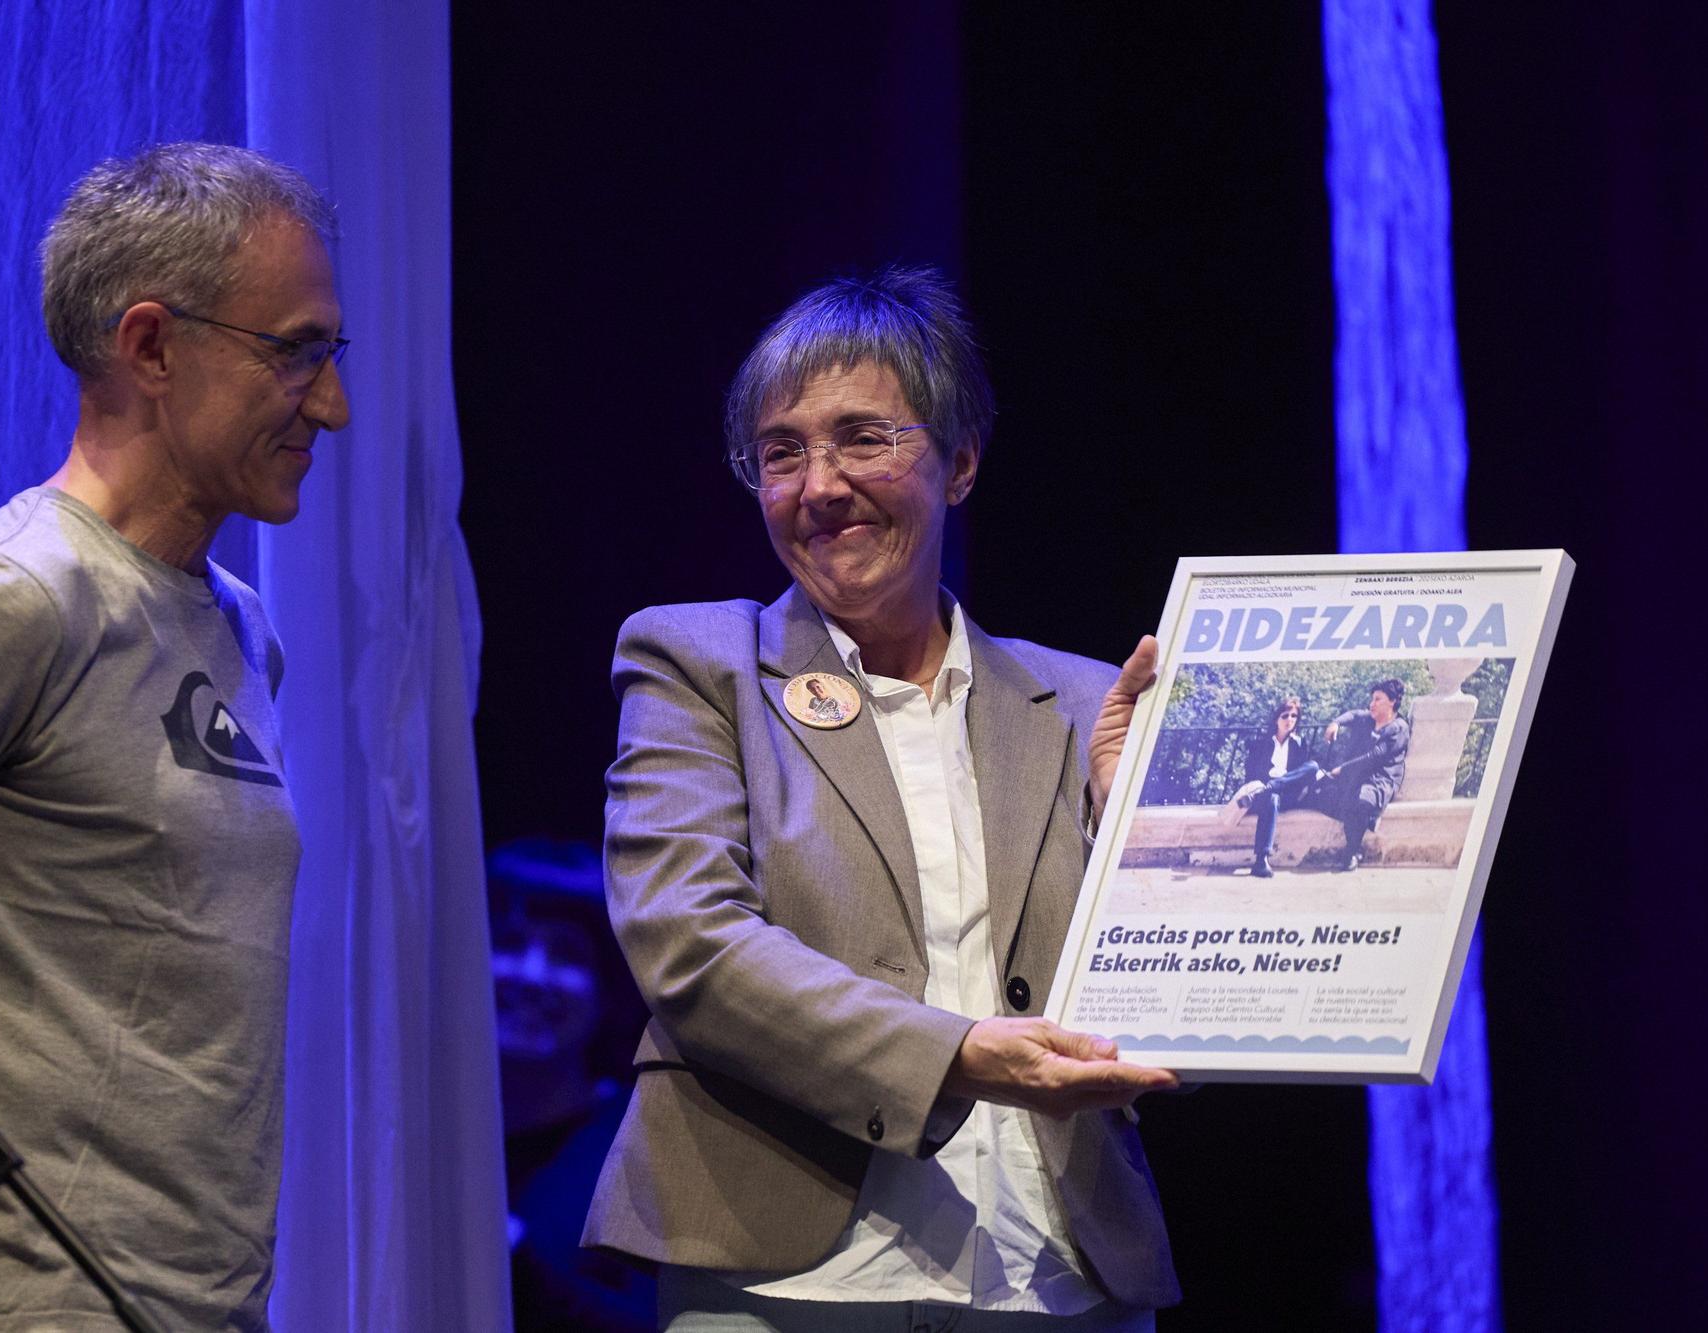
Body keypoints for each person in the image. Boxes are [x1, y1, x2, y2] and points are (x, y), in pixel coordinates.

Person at [0, 142, 348, 1330]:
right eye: (296, 351)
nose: (334, 404)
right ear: (151, 347)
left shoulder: (242, 627)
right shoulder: (23, 599)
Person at [583, 267, 1181, 1331]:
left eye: (862, 438)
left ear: (956, 463)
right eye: (780, 452)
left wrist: (1141, 844)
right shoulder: (694, 662)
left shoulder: (1087, 702)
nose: (818, 484)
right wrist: (954, 1055)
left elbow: (1176, 1010)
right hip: (783, 1281)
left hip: (1055, 1280)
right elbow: (689, 943)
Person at [1317, 679, 1410, 872]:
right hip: (1360, 775)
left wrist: (1342, 769)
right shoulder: (1370, 719)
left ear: (1392, 701)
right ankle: (1370, 817)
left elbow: (1374, 757)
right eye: (1372, 699)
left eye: (1378, 699)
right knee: (1323, 795)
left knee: (1359, 801)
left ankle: (1350, 853)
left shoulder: (1399, 728)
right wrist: (1335, 723)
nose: (1372, 704)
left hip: (1383, 780)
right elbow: (1353, 715)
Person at [1234, 696, 1317, 877]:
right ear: (1276, 719)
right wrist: (1265, 787)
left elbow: (1304, 774)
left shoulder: (1299, 745)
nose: (1290, 720)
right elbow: (1251, 776)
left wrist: (1279, 783)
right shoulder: (1260, 744)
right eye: (1285, 716)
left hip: (1288, 795)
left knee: (1313, 766)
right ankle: (1261, 860)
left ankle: (1272, 786)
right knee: (1271, 797)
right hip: (1262, 795)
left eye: (1294, 716)